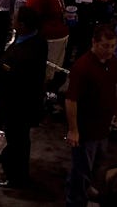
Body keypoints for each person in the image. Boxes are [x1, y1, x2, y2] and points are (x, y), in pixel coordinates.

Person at [0, 6, 47, 188]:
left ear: (22, 25)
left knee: (17, 142)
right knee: (20, 140)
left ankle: (13, 175)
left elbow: (7, 77)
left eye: (15, 19)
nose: (12, 21)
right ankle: (16, 170)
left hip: (17, 107)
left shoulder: (23, 54)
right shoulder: (38, 39)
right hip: (25, 104)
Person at [65, 25, 117, 206]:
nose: (110, 50)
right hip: (85, 130)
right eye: (105, 46)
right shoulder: (82, 66)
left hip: (103, 128)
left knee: (97, 165)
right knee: (81, 169)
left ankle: (85, 187)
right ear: (94, 43)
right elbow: (71, 100)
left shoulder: (112, 62)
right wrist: (73, 130)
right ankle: (75, 200)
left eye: (112, 46)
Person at [26, 0, 71, 85]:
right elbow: (30, 16)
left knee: (49, 74)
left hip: (56, 39)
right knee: (44, 74)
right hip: (48, 41)